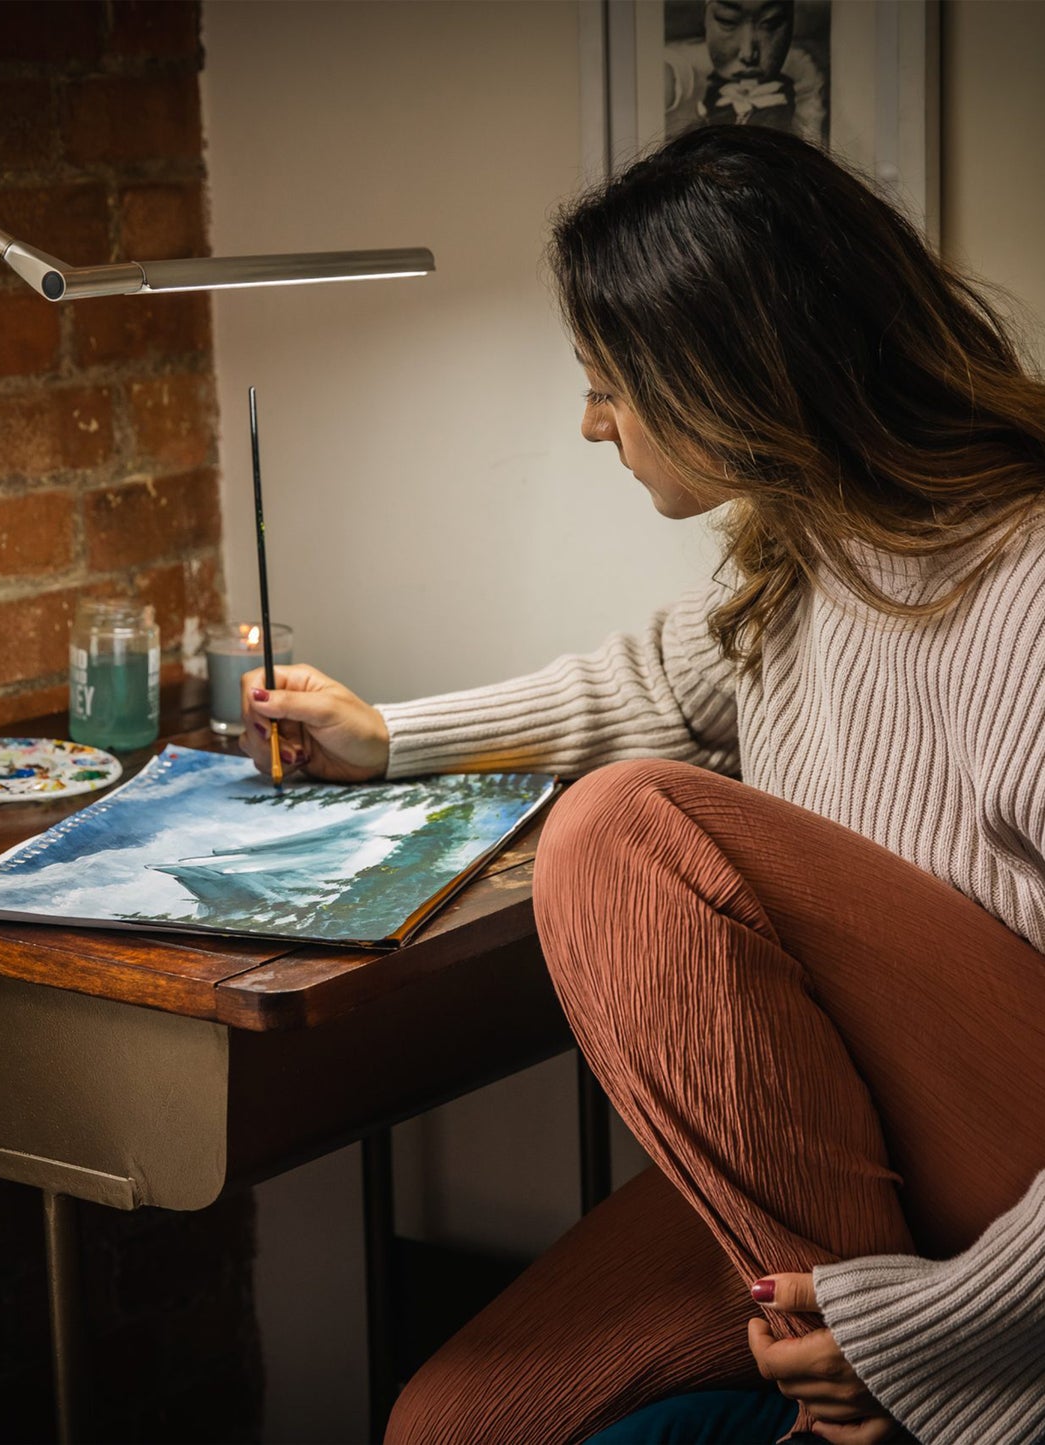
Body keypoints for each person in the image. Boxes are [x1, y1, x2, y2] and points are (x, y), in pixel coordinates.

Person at [239, 125, 1045, 1444]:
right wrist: (383, 734)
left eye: (610, 381)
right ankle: (841, 1338)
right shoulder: (804, 554)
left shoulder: (1024, 581)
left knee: (621, 827)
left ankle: (869, 1401)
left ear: (731, 374)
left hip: (1012, 1179)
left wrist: (918, 1342)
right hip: (875, 1142)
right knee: (443, 1424)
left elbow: (644, 766)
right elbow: (650, 682)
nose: (591, 420)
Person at [664, 0, 827, 143]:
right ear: (704, 19)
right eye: (727, 21)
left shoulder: (803, 70)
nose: (748, 54)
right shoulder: (673, 72)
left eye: (770, 22)